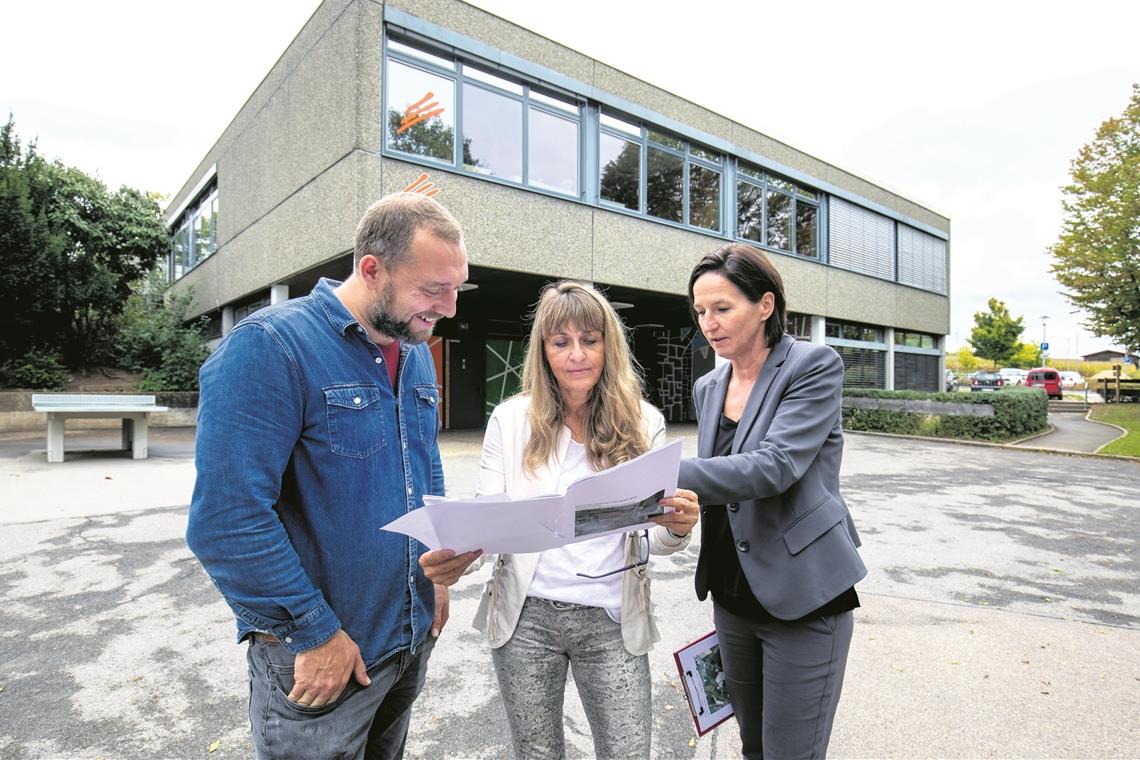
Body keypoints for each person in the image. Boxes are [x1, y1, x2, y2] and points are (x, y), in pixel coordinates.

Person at [185, 192, 469, 760]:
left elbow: (423, 468)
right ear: (372, 269)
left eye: (457, 288)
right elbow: (225, 521)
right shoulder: (268, 348)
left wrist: (436, 569)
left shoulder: (412, 350)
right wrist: (313, 631)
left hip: (407, 637)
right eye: (434, 290)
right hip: (323, 656)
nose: (451, 308)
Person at [420, 281, 700, 760]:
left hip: (612, 616)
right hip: (527, 616)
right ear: (543, 351)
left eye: (590, 340)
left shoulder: (644, 421)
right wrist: (458, 557)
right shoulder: (510, 422)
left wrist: (677, 527)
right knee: (536, 752)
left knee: (628, 751)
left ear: (608, 346)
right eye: (561, 342)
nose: (577, 354)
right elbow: (490, 517)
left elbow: (653, 535)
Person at [677, 243, 867, 759]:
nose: (709, 323)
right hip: (732, 593)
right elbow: (718, 484)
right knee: (754, 748)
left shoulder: (812, 365)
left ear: (765, 305)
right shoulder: (709, 384)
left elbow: (776, 465)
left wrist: (660, 472)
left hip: (803, 595)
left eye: (722, 308)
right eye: (700, 311)